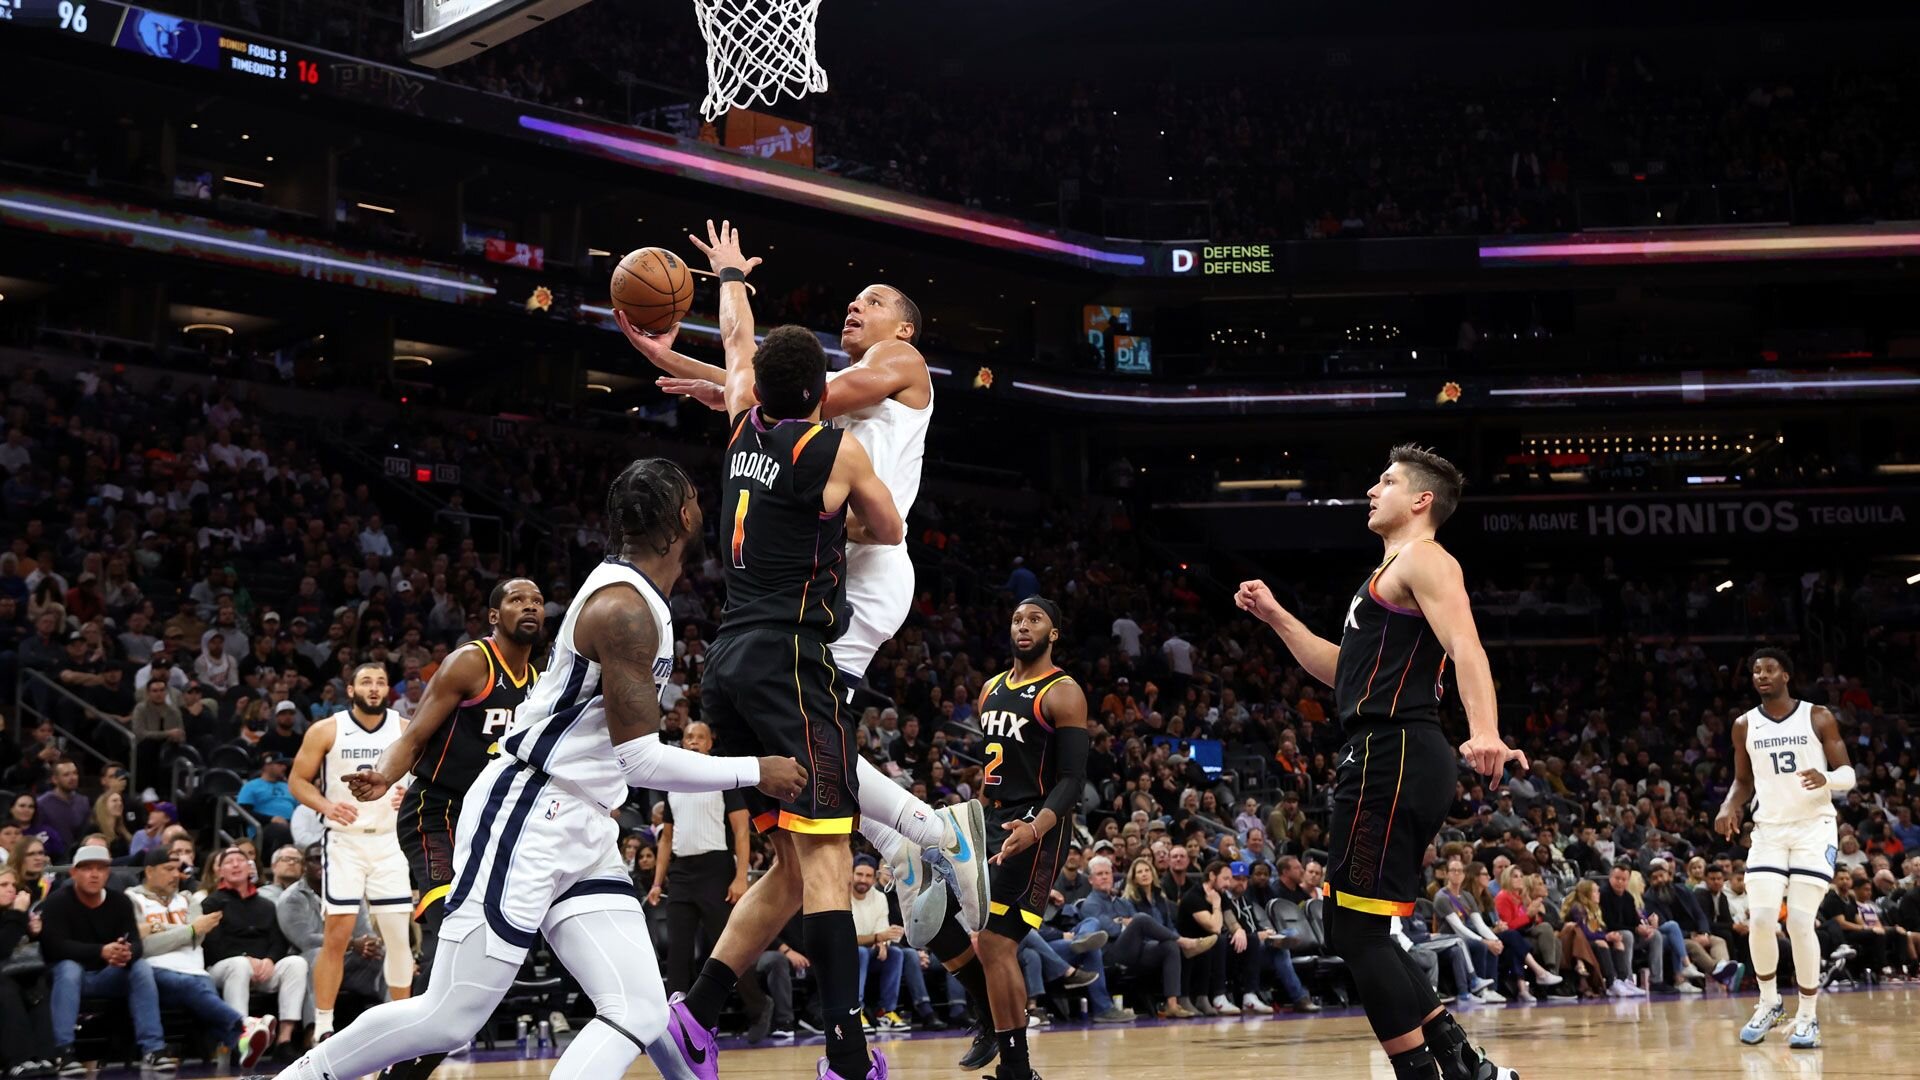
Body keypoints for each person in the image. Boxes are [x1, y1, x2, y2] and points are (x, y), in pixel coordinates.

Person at [269, 456, 806, 1080]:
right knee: (450, 1016)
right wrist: (754, 769)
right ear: (683, 518)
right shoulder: (624, 611)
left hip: (582, 822)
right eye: (695, 497)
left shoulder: (639, 598)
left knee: (641, 1007)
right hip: (527, 814)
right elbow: (640, 759)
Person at [624, 226, 987, 926]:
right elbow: (769, 394)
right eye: (852, 300)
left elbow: (791, 392)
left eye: (873, 300)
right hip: (829, 570)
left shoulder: (900, 359)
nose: (856, 307)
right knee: (815, 737)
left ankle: (933, 833)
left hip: (871, 567)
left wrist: (720, 371)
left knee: (810, 738)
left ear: (904, 325)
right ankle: (902, 839)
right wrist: (689, 366)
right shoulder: (832, 393)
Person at [657, 223, 906, 1080]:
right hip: (790, 662)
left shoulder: (737, 423)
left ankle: (694, 1017)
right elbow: (892, 527)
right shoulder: (838, 447)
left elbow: (733, 341)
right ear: (822, 391)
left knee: (796, 868)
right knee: (834, 852)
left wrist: (729, 273)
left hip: (725, 659)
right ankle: (845, 1049)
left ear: (761, 386)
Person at [1236, 445, 1525, 1080]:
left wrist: (1485, 732)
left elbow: (1468, 646)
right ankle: (1463, 1061)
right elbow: (1340, 669)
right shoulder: (1389, 573)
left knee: (1357, 933)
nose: (1373, 489)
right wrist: (1278, 616)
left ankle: (1427, 1070)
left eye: (1387, 481)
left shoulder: (1426, 558)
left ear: (1421, 500)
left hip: (1394, 751)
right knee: (1349, 924)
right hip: (1385, 751)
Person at [894, 598, 1091, 1078]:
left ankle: (1017, 1069)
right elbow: (995, 768)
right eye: (1018, 620)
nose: (1023, 627)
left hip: (1040, 825)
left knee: (998, 942)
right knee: (929, 908)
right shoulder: (989, 689)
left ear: (1054, 633)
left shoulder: (1063, 692)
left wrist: (1037, 826)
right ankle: (987, 1015)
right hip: (992, 817)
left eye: (1035, 620)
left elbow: (1072, 778)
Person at [361, 578, 545, 1080]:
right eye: (516, 599)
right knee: (451, 930)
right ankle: (358, 1054)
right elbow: (417, 733)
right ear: (493, 615)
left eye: (536, 600)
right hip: (436, 814)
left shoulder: (540, 681)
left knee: (475, 971)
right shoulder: (471, 663)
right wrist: (383, 775)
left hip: (489, 828)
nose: (529, 606)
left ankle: (403, 1069)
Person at [1716, 648, 1853, 1049]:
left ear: (1786, 675)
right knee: (1760, 920)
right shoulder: (1744, 725)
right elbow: (1743, 780)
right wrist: (1729, 805)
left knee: (1798, 922)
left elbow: (1849, 774)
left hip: (1814, 828)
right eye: (1756, 670)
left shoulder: (1818, 716)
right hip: (1770, 830)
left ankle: (1808, 1016)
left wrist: (1826, 778)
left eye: (1769, 669)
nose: (1761, 675)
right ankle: (1770, 1002)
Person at [288, 664, 415, 1040]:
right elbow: (297, 780)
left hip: (390, 840)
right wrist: (326, 806)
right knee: (337, 936)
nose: (373, 689)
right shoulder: (326, 729)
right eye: (366, 682)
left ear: (388, 690)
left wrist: (413, 793)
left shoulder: (405, 729)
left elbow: (430, 774)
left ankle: (401, 1027)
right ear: (351, 689)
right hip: (344, 841)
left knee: (397, 935)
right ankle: (324, 1027)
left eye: (379, 682)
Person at [126, 847, 277, 1068]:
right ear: (149, 871)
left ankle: (240, 1043)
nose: (176, 875)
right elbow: (145, 947)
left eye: (177, 870)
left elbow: (198, 938)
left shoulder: (188, 898)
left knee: (199, 992)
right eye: (168, 869)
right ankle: (245, 1025)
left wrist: (157, 927)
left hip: (197, 970)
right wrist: (188, 930)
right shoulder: (132, 898)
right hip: (157, 971)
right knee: (192, 988)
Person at [38, 844, 175, 1072]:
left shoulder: (120, 902)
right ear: (73, 873)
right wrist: (101, 951)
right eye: (87, 868)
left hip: (107, 975)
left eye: (100, 869)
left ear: (108, 873)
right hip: (67, 978)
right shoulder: (57, 902)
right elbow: (54, 947)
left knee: (140, 967)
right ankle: (63, 1051)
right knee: (69, 968)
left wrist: (127, 952)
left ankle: (153, 1048)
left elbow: (136, 942)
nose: (94, 874)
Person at [651, 722, 757, 1001]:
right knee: (678, 948)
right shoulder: (672, 782)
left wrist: (741, 876)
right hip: (682, 871)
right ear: (682, 743)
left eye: (700, 737)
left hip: (716, 868)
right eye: (688, 737)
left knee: (726, 945)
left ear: (710, 743)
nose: (693, 741)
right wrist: (656, 882)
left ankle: (759, 1005)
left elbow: (742, 830)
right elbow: (666, 838)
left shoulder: (723, 776)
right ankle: (676, 1014)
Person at [201, 846, 307, 1058]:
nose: (235, 864)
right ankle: (241, 1036)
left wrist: (270, 960)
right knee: (239, 966)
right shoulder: (211, 902)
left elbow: (277, 940)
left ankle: (284, 1039)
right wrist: (245, 958)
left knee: (296, 963)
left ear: (250, 869)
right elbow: (212, 945)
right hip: (224, 967)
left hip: (262, 969)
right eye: (229, 862)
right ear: (220, 871)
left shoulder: (266, 905)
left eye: (240, 860)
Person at [0, 864, 55, 1076]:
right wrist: (17, 914)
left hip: (14, 973)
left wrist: (35, 934)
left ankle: (43, 1056)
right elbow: (3, 948)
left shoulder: (17, 915)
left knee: (37, 983)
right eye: (3, 885)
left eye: (13, 885)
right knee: (6, 988)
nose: (11, 889)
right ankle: (17, 1060)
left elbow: (33, 953)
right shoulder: (16, 914)